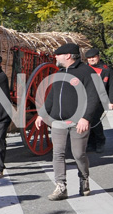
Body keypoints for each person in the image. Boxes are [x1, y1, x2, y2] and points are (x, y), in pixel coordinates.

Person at [34, 43, 102, 200]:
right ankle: (61, 186)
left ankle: (84, 179)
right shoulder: (60, 72)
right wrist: (41, 114)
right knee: (58, 153)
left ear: (68, 56)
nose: (55, 57)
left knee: (78, 154)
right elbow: (51, 96)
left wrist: (86, 118)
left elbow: (94, 97)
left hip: (79, 121)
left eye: (58, 55)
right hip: (58, 122)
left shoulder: (86, 72)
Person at [84, 48, 113, 153]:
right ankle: (90, 143)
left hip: (101, 100)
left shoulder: (107, 70)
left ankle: (100, 141)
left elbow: (112, 86)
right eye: (89, 58)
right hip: (87, 99)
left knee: (94, 119)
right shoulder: (84, 69)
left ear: (98, 57)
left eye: (93, 57)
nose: (91, 60)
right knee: (87, 120)